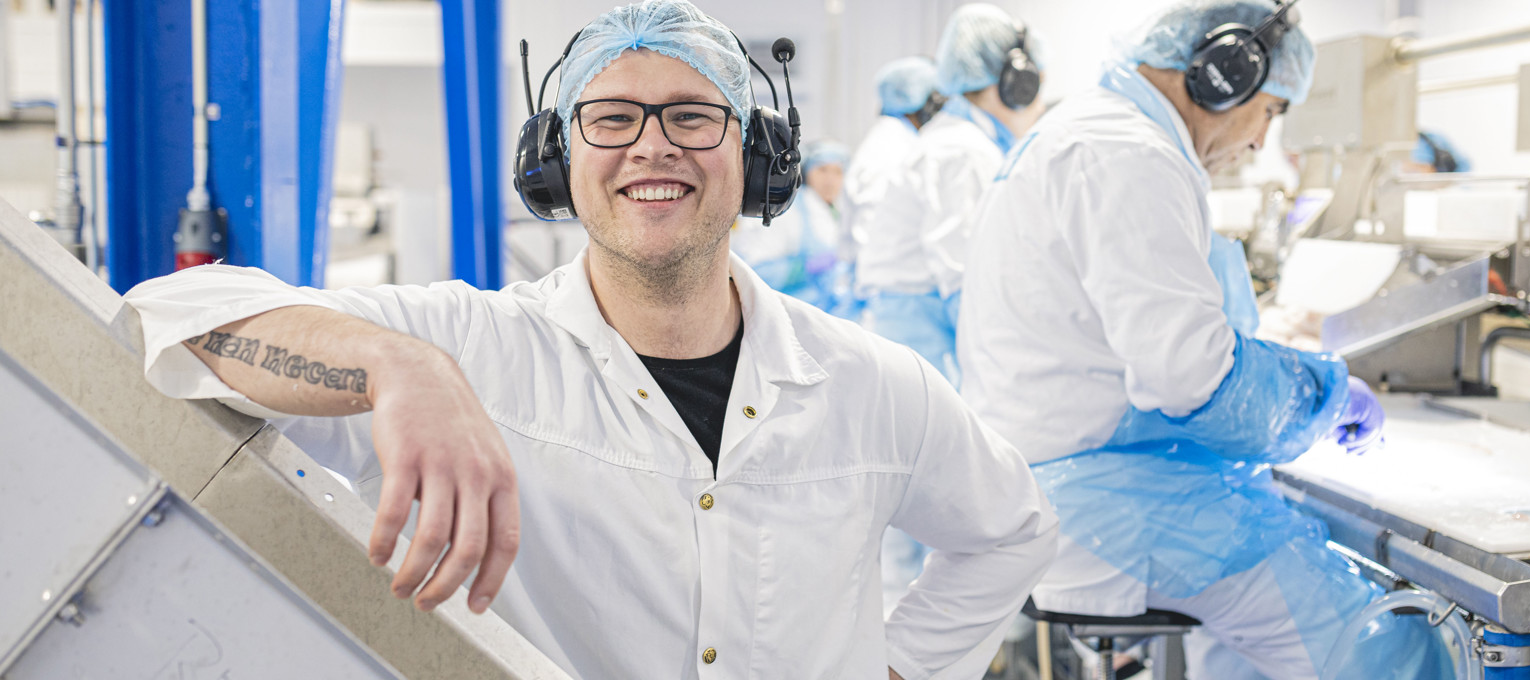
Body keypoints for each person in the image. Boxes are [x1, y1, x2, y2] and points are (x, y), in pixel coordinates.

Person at [122, 1, 1058, 678]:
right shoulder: (469, 345)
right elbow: (176, 317)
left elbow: (1010, 531)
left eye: (693, 115)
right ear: (556, 161)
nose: (653, 147)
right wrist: (390, 364)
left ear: (759, 158)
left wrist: (901, 668)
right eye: (611, 119)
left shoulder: (870, 385)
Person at [957, 2, 1453, 678]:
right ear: (1226, 74)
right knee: (1389, 646)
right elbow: (1192, 376)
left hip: (1081, 484)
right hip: (1112, 502)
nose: (1259, 141)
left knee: (1247, 647)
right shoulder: (1129, 153)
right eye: (1271, 112)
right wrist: (1323, 398)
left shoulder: (1095, 133)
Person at [854, 4, 1045, 387]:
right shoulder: (963, 150)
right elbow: (965, 274)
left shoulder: (958, 139)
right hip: (924, 334)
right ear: (1016, 82)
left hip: (919, 326)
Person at [837, 57, 944, 326]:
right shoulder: (894, 149)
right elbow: (875, 231)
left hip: (887, 295)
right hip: (892, 300)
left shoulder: (890, 142)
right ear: (928, 104)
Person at [729, 140, 851, 314]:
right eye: (822, 170)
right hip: (788, 315)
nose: (830, 180)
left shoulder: (836, 211)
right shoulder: (789, 210)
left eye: (837, 172)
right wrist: (804, 267)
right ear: (807, 171)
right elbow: (757, 272)